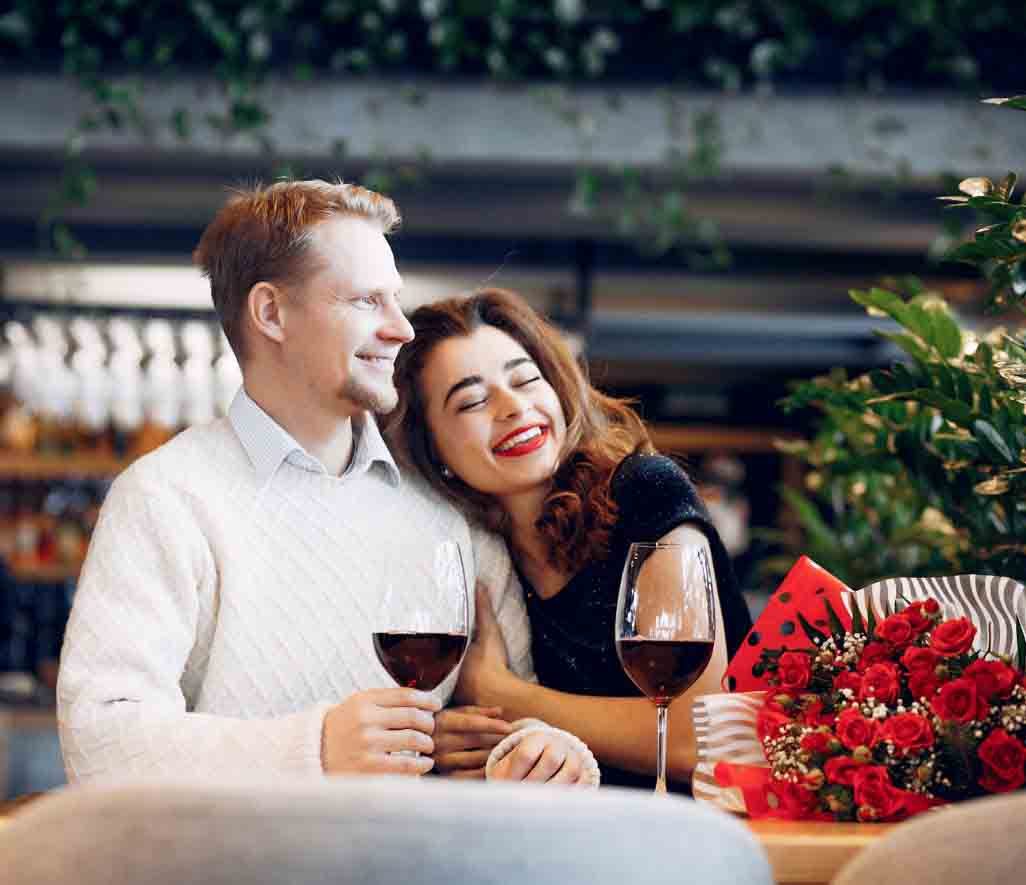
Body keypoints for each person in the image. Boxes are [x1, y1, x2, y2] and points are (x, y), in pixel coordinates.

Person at [57, 182, 596, 787]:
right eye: (367, 301)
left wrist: (540, 753)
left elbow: (511, 718)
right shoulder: (166, 498)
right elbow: (99, 740)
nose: (402, 329)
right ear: (271, 313)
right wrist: (314, 747)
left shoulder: (449, 506)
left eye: (395, 301)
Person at [385, 287, 753, 790]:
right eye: (473, 401)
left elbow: (694, 738)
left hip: (705, 821)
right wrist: (453, 742)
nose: (513, 407)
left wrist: (502, 696)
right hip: (579, 825)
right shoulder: (476, 557)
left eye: (525, 380)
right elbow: (522, 743)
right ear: (433, 451)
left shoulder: (645, 493)